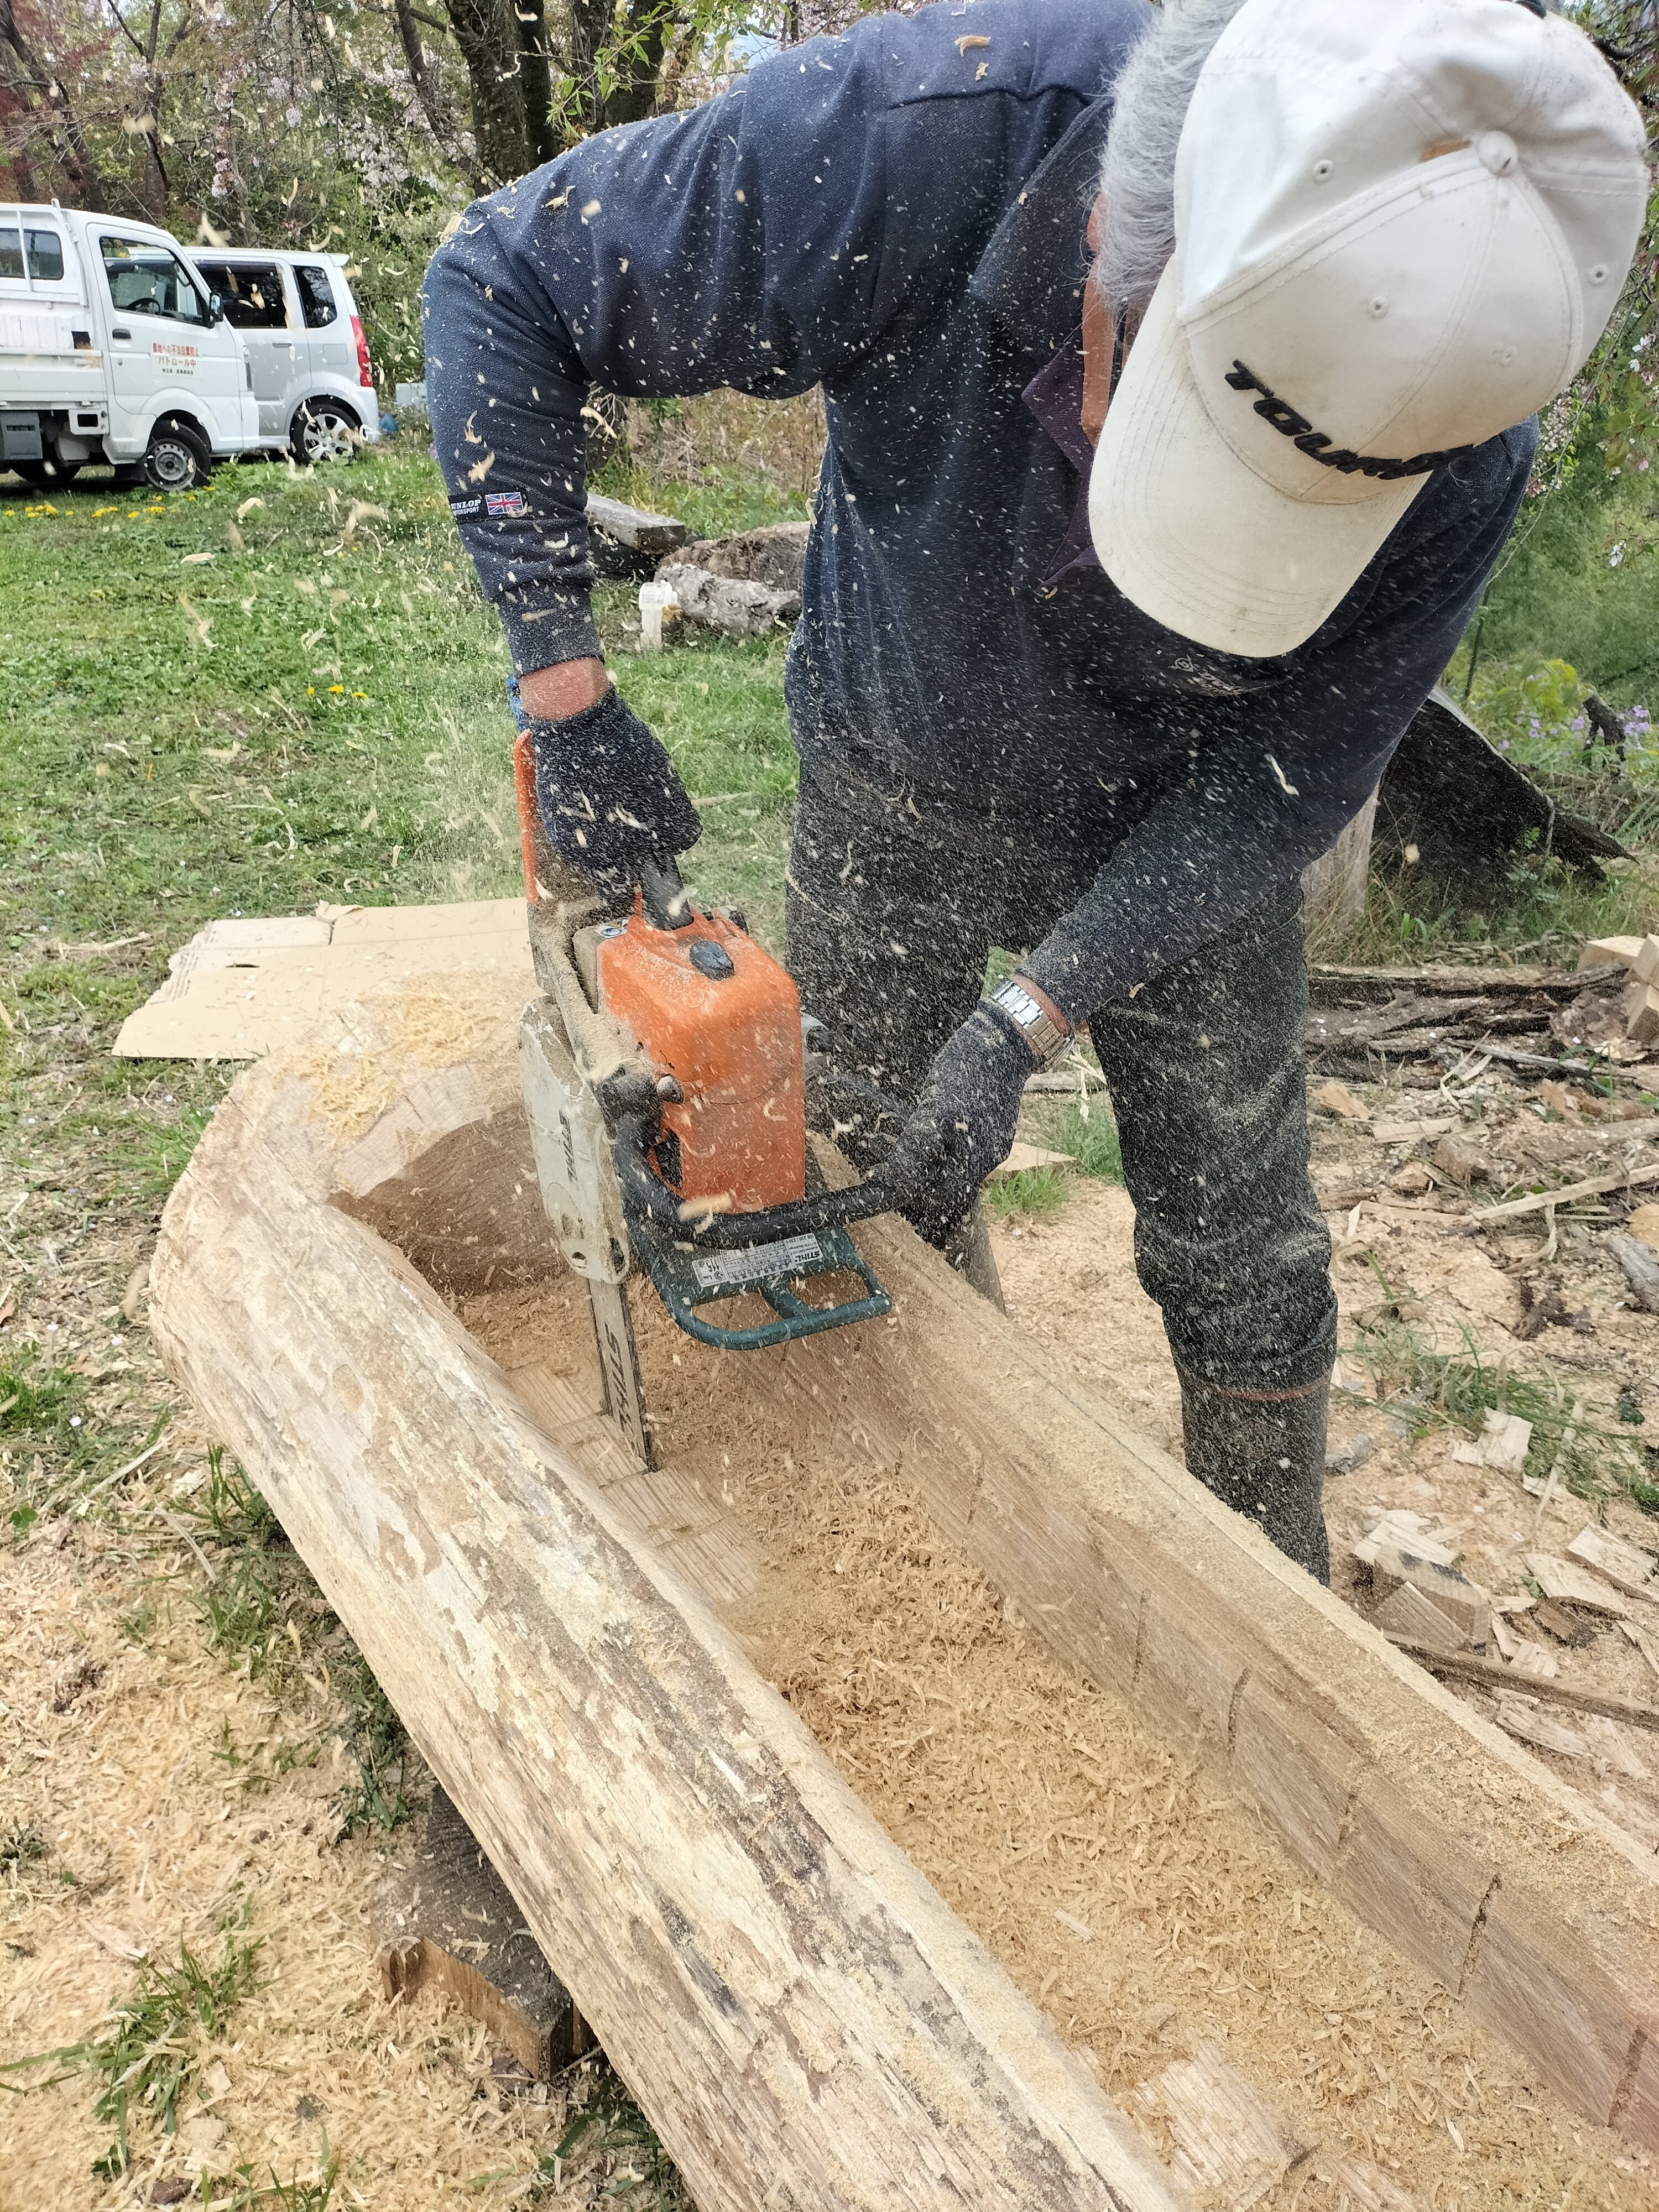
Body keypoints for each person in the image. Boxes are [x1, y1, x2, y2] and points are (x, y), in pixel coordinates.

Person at [422, 0, 1646, 1578]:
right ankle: (936, 1536)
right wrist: (564, 689)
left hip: (1199, 800)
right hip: (902, 753)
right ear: (1108, 266)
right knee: (868, 1167)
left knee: (1245, 1236)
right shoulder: (915, 138)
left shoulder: (1465, 404)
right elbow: (500, 275)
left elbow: (1298, 774)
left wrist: (1034, 1012)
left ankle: (1277, 1592)